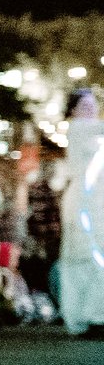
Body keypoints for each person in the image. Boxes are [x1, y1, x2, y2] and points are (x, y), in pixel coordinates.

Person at [57, 88, 104, 333]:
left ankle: (96, 313)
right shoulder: (76, 128)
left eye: (93, 104)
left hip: (99, 201)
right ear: (73, 111)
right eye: (84, 106)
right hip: (82, 203)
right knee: (83, 257)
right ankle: (82, 316)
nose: (91, 109)